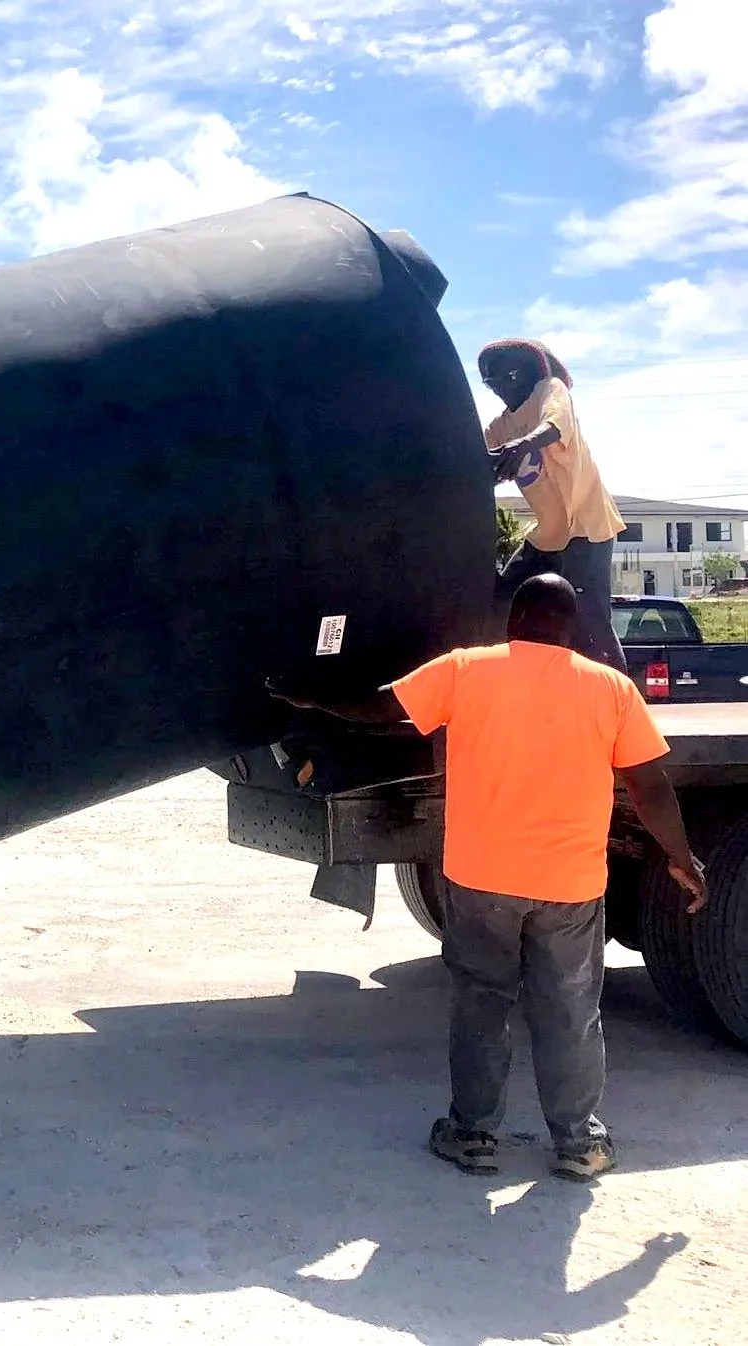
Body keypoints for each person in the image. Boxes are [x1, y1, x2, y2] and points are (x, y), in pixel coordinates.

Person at [270, 574, 705, 1182]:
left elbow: (381, 708)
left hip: (481, 879)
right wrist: (681, 858)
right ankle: (578, 1143)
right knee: (570, 1011)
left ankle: (472, 1134)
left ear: (513, 621)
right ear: (573, 629)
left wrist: (314, 697)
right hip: (570, 884)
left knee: (483, 1003)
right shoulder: (610, 688)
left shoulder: (466, 669)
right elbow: (650, 785)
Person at [481, 338, 628, 671]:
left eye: (504, 377)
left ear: (526, 373)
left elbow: (554, 426)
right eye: (489, 382)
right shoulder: (501, 424)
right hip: (547, 534)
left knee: (591, 620)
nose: (497, 388)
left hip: (586, 527)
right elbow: (475, 455)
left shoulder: (550, 390)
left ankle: (624, 704)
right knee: (505, 600)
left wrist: (520, 446)